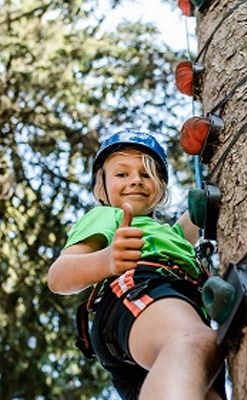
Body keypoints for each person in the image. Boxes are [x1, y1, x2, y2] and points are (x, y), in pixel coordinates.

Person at [47, 131, 225, 400]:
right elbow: (58, 277)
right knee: (196, 342)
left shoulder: (169, 234)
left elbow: (196, 215)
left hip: (167, 314)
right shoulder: (108, 216)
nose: (135, 181)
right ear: (102, 188)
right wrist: (106, 260)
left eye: (146, 174)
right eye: (122, 174)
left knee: (206, 390)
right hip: (136, 292)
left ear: (160, 187)